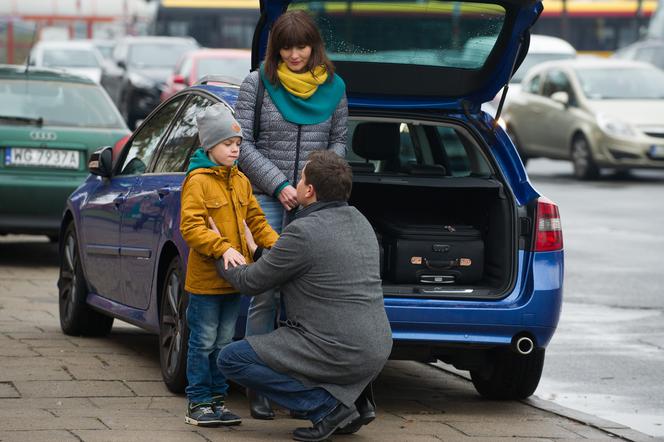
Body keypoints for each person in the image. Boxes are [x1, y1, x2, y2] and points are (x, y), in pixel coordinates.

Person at [215, 151, 393, 442]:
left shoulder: (303, 230)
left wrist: (219, 252)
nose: (296, 182)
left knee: (232, 359)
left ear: (309, 191)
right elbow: (302, 263)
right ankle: (356, 400)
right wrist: (259, 251)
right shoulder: (359, 220)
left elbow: (251, 282)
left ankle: (327, 408)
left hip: (336, 348)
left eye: (300, 177)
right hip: (376, 346)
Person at [234, 9, 348, 419]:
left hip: (313, 202)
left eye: (302, 46)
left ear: (314, 46)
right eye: (287, 47)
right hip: (269, 197)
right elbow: (242, 145)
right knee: (264, 292)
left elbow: (339, 142)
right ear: (276, 49)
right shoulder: (256, 84)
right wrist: (281, 185)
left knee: (306, 295)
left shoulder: (335, 88)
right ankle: (257, 383)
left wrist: (311, 187)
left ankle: (300, 380)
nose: (295, 55)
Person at [179, 103, 279, 427]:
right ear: (210, 146)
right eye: (228, 144)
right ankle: (198, 401)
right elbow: (191, 227)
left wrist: (280, 247)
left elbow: (256, 220)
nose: (235, 150)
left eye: (237, 145)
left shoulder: (242, 181)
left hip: (234, 281)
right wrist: (221, 247)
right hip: (206, 282)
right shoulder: (198, 181)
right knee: (203, 340)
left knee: (224, 342)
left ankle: (218, 401)